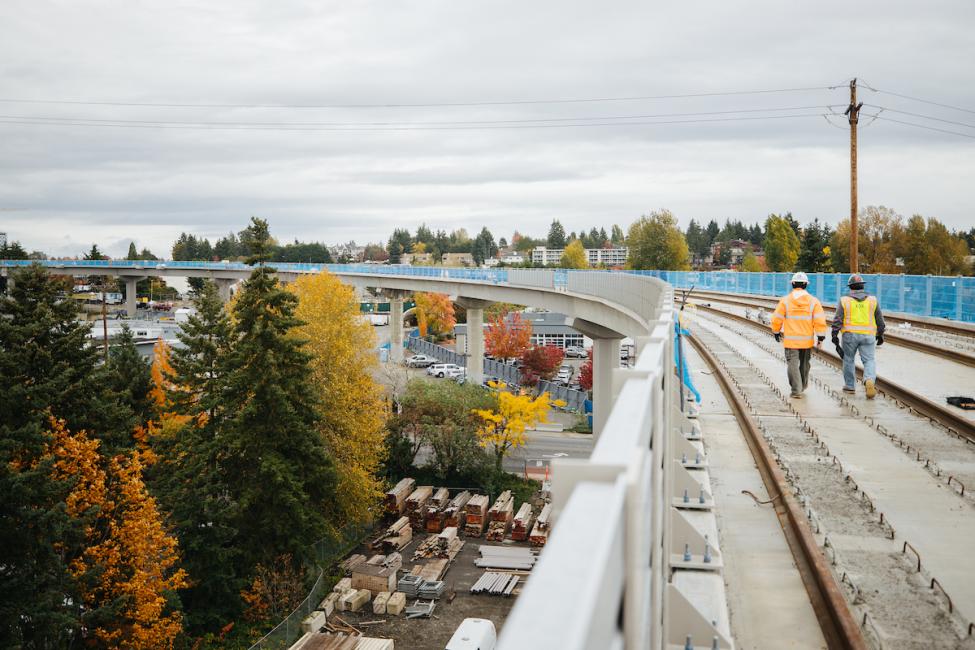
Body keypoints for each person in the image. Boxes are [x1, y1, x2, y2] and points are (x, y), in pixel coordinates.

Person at [770, 271, 828, 398]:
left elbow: (776, 318)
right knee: (805, 363)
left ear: (792, 284)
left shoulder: (785, 301)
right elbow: (819, 320)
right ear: (806, 285)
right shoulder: (814, 301)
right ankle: (802, 385)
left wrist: (776, 331)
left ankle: (796, 390)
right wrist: (820, 337)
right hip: (807, 341)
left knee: (792, 363)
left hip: (791, 341)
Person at [831, 273, 885, 399]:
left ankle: (850, 386)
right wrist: (881, 334)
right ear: (862, 286)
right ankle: (869, 380)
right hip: (868, 336)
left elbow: (837, 319)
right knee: (869, 360)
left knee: (848, 359)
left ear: (850, 287)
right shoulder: (873, 300)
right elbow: (880, 320)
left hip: (849, 336)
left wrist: (834, 335)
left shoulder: (844, 300)